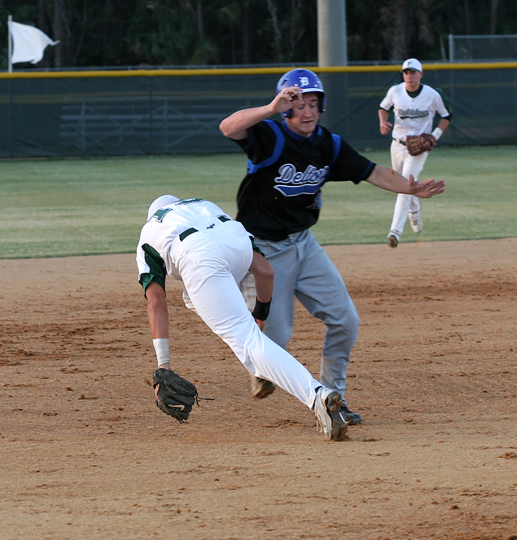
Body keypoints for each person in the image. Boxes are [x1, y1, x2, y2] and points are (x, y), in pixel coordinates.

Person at [218, 68, 445, 425]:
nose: (307, 112)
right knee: (275, 337)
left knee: (345, 321)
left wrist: (409, 188)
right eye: (297, 104)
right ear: (285, 107)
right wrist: (271, 107)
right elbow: (229, 127)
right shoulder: (270, 135)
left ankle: (332, 397)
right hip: (264, 249)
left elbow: (372, 171)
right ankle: (261, 363)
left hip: (304, 245)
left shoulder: (328, 144)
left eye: (313, 104)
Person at [136, 195, 349, 440]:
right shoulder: (202, 206)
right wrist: (260, 314)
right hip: (235, 244)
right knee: (193, 298)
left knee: (248, 345)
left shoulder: (151, 229)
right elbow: (266, 272)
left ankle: (317, 395)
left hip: (199, 255)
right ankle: (233, 316)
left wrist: (163, 364)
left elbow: (156, 301)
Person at [379, 58, 452, 247]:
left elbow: (446, 115)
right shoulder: (395, 91)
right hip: (397, 145)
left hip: (419, 148)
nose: (409, 76)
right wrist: (382, 122)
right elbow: (383, 108)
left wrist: (435, 135)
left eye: (413, 72)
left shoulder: (432, 94)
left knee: (405, 185)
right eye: (406, 73)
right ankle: (414, 209)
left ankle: (395, 232)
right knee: (401, 184)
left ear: (421, 74)